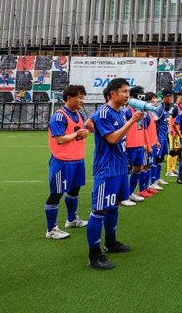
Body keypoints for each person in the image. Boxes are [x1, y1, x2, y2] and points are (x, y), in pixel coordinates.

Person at [85, 78, 144, 270]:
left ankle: (110, 243)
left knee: (114, 206)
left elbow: (90, 124)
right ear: (112, 94)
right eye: (124, 91)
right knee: (99, 211)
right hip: (106, 170)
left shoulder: (120, 112)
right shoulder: (104, 113)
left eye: (128, 91)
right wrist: (132, 121)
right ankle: (94, 256)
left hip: (119, 168)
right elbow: (112, 139)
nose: (128, 95)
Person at [44, 85, 90, 240]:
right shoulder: (59, 116)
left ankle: (72, 220)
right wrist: (77, 134)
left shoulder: (79, 115)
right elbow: (59, 139)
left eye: (83, 98)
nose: (82, 101)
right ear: (69, 97)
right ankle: (51, 229)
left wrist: (84, 133)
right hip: (62, 162)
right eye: (79, 97)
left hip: (77, 160)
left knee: (74, 191)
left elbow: (78, 133)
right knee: (56, 194)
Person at [123, 86, 152, 205]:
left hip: (139, 145)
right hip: (129, 146)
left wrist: (146, 144)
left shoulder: (142, 112)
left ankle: (130, 193)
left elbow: (144, 129)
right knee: (125, 171)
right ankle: (123, 197)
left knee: (138, 168)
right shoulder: (126, 111)